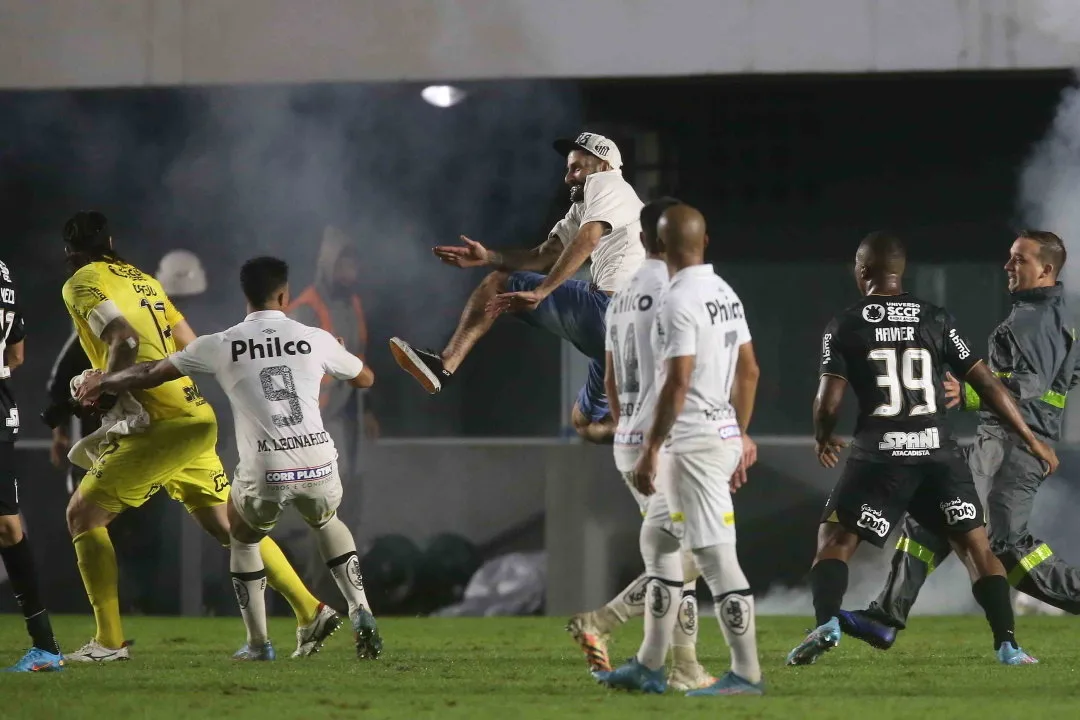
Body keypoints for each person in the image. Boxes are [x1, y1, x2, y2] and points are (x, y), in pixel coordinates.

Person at [57, 211, 337, 661]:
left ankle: (108, 642)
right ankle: (311, 610)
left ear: (69, 252)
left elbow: (123, 340)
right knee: (232, 528)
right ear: (110, 240)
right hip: (192, 414)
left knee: (83, 515)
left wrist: (107, 388)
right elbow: (190, 344)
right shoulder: (145, 280)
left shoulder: (82, 281)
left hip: (159, 422)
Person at [786, 231, 1056, 668]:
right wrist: (1030, 439)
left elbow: (828, 402)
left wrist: (822, 435)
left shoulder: (846, 323)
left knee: (835, 541)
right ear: (900, 272)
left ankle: (826, 624)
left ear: (862, 271)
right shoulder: (936, 318)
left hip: (881, 453)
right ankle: (1007, 645)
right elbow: (986, 384)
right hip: (937, 453)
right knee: (977, 549)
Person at [843, 231, 1080, 648]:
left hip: (1015, 444)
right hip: (1004, 439)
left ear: (1046, 270)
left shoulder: (1034, 319)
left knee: (1006, 545)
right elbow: (1063, 376)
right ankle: (885, 615)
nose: (1008, 266)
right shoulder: (1051, 314)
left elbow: (1031, 381)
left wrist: (968, 392)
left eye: (1019, 260)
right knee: (933, 520)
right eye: (1009, 257)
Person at [597, 204, 764, 697]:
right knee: (659, 543)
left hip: (689, 445)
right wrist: (736, 430)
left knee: (714, 559)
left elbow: (677, 382)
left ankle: (747, 673)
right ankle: (649, 664)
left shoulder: (676, 300)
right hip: (716, 434)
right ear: (705, 241)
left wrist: (651, 448)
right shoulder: (725, 293)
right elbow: (750, 371)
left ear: (660, 248)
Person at [389, 131, 645, 443]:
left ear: (603, 165)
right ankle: (655, 432)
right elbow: (543, 255)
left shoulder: (608, 184)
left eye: (576, 168)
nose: (568, 178)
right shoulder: (587, 207)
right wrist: (489, 257)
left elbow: (588, 238)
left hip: (614, 314)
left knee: (497, 283)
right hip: (629, 341)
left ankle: (444, 365)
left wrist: (542, 291)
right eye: (567, 169)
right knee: (585, 423)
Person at [566, 196, 714, 691]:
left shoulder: (622, 295)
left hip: (630, 438)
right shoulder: (676, 292)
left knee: (681, 557)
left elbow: (608, 376)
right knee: (695, 553)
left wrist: (629, 425)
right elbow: (680, 378)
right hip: (663, 441)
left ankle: (686, 666)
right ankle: (600, 622)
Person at [0, 258, 64, 672]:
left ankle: (46, 646)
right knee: (6, 526)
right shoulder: (4, 271)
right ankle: (45, 645)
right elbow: (17, 354)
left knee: (8, 526)